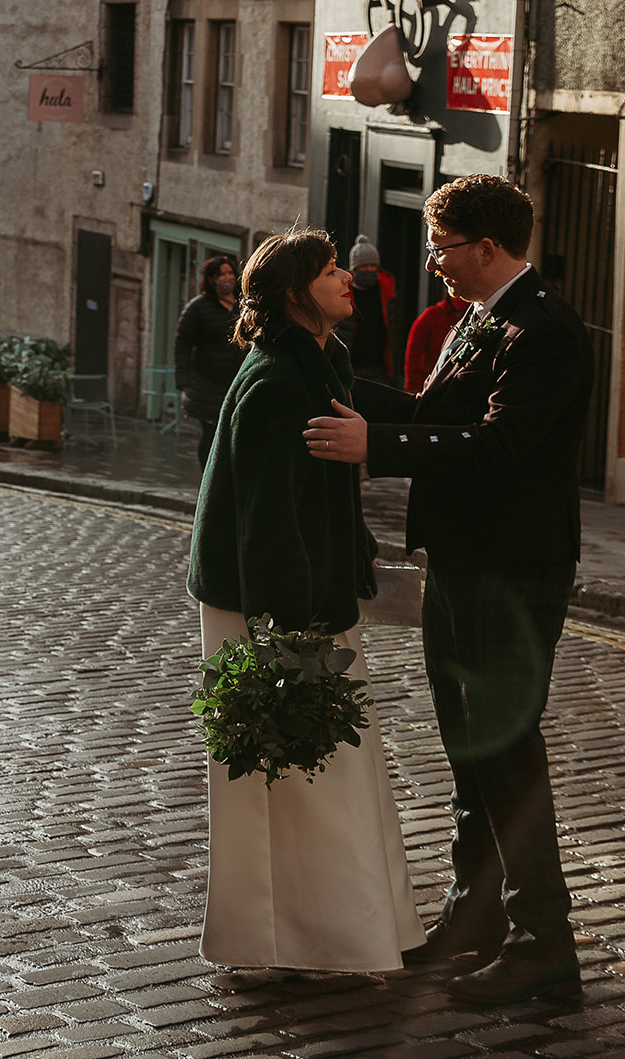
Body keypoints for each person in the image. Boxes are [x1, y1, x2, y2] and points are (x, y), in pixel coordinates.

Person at [303, 175, 593, 1004]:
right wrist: (327, 372)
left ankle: (545, 943)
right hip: (466, 559)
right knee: (471, 746)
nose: (434, 264)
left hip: (515, 564)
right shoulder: (483, 315)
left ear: (488, 248)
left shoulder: (544, 330)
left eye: (442, 248)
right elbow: (437, 413)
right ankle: (478, 920)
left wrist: (377, 444)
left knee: (505, 746)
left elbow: (499, 446)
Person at [187, 227, 423, 973]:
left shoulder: (323, 362)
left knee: (335, 771)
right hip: (269, 605)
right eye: (329, 272)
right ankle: (290, 939)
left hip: (313, 597)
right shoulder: (273, 384)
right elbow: (264, 526)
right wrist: (286, 641)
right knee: (285, 780)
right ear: (295, 294)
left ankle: (357, 929)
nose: (346, 279)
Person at [173, 255, 241, 468]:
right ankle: (209, 478)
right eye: (221, 274)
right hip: (208, 383)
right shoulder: (198, 308)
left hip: (236, 381)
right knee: (212, 433)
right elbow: (182, 343)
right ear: (211, 279)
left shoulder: (243, 306)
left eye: (230, 273)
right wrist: (184, 379)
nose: (227, 278)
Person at [337, 234, 400, 386]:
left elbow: (395, 329)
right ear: (355, 269)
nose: (369, 271)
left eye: (373, 267)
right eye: (364, 267)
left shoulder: (387, 292)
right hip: (352, 365)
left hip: (379, 368)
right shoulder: (341, 291)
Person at [403, 291, 470, 393]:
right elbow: (414, 351)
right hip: (427, 381)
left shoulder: (474, 319)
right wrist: (414, 385)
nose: (459, 300)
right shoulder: (432, 315)